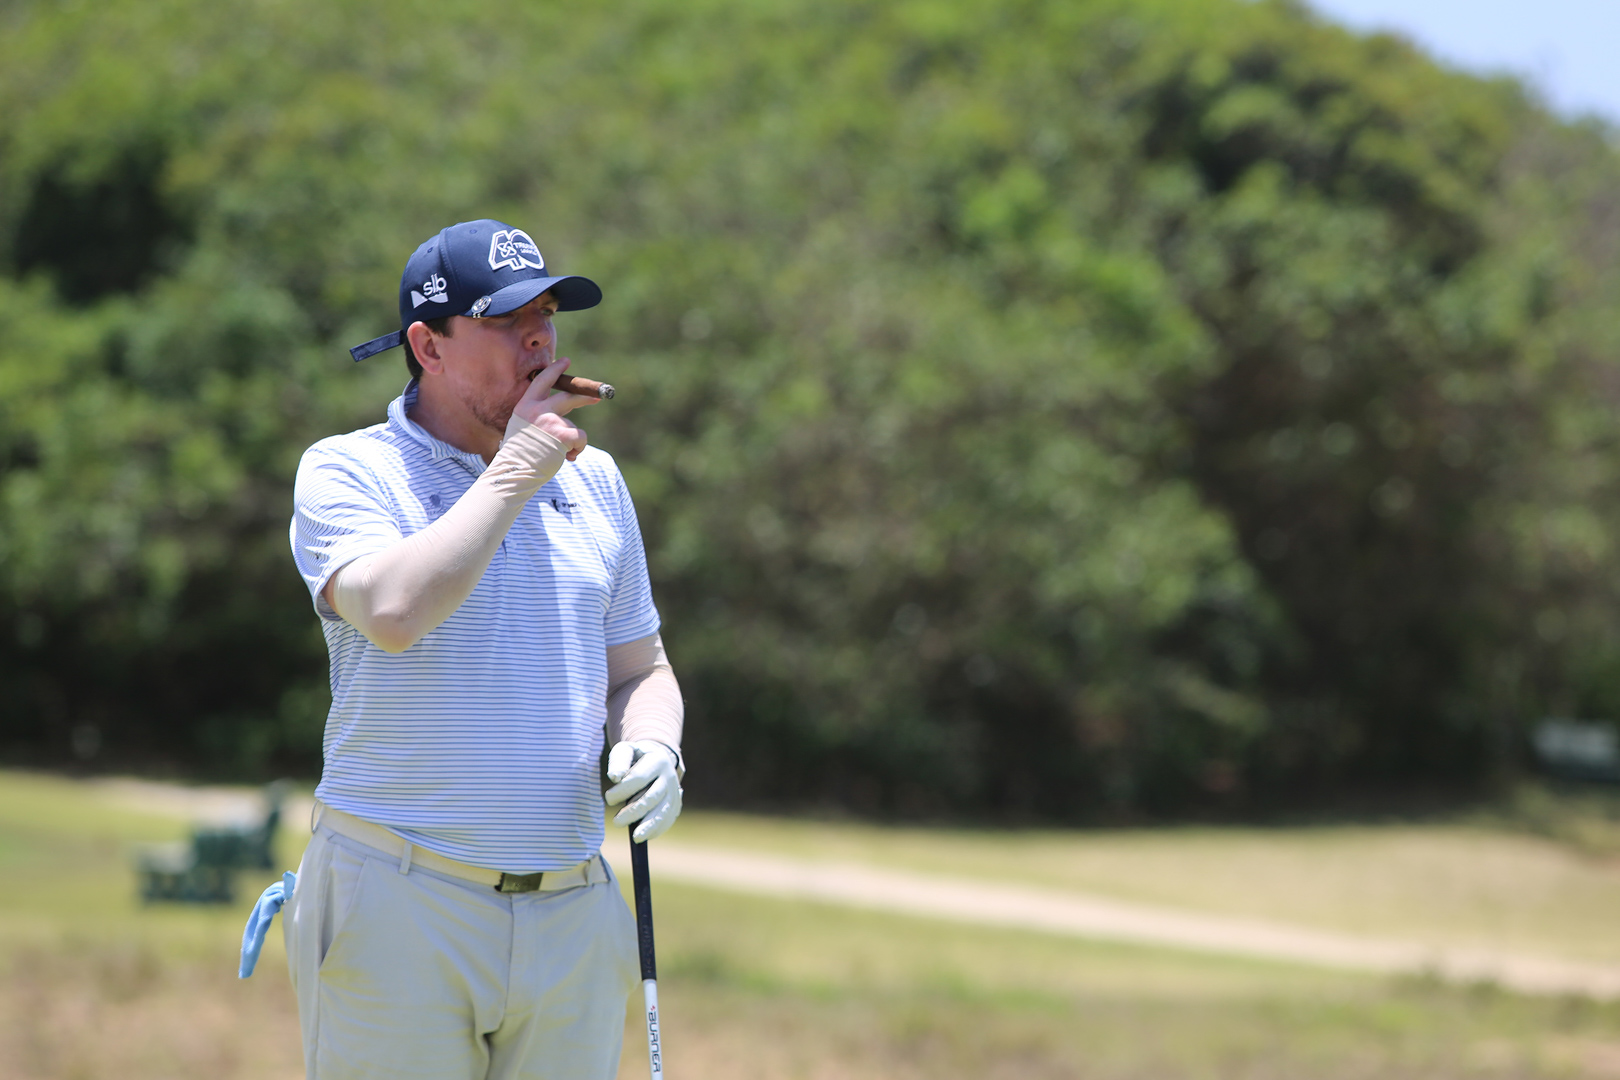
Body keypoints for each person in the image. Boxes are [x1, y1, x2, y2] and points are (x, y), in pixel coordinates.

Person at [283, 218, 685, 1080]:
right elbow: (394, 611)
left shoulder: (596, 480)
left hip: (572, 909)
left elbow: (640, 669)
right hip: (400, 898)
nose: (538, 338)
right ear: (427, 346)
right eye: (505, 319)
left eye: (547, 314)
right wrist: (519, 467)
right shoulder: (349, 470)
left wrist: (655, 740)